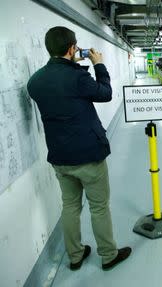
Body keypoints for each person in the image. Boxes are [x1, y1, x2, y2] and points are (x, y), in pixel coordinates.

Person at [27, 26, 131, 271]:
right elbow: (105, 93)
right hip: (88, 156)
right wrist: (98, 65)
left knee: (70, 206)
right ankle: (108, 255)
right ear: (72, 48)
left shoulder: (35, 81)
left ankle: (75, 256)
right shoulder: (77, 77)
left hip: (60, 158)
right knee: (98, 206)